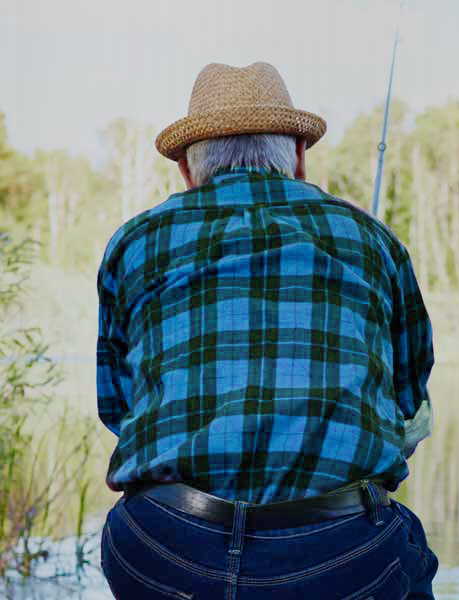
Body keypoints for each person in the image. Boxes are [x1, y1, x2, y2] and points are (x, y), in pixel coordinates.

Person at [96, 62, 437, 599]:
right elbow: (408, 398)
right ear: (298, 156)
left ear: (187, 168)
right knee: (405, 551)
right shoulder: (372, 240)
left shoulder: (135, 243)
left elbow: (117, 407)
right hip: (341, 553)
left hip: (166, 548)